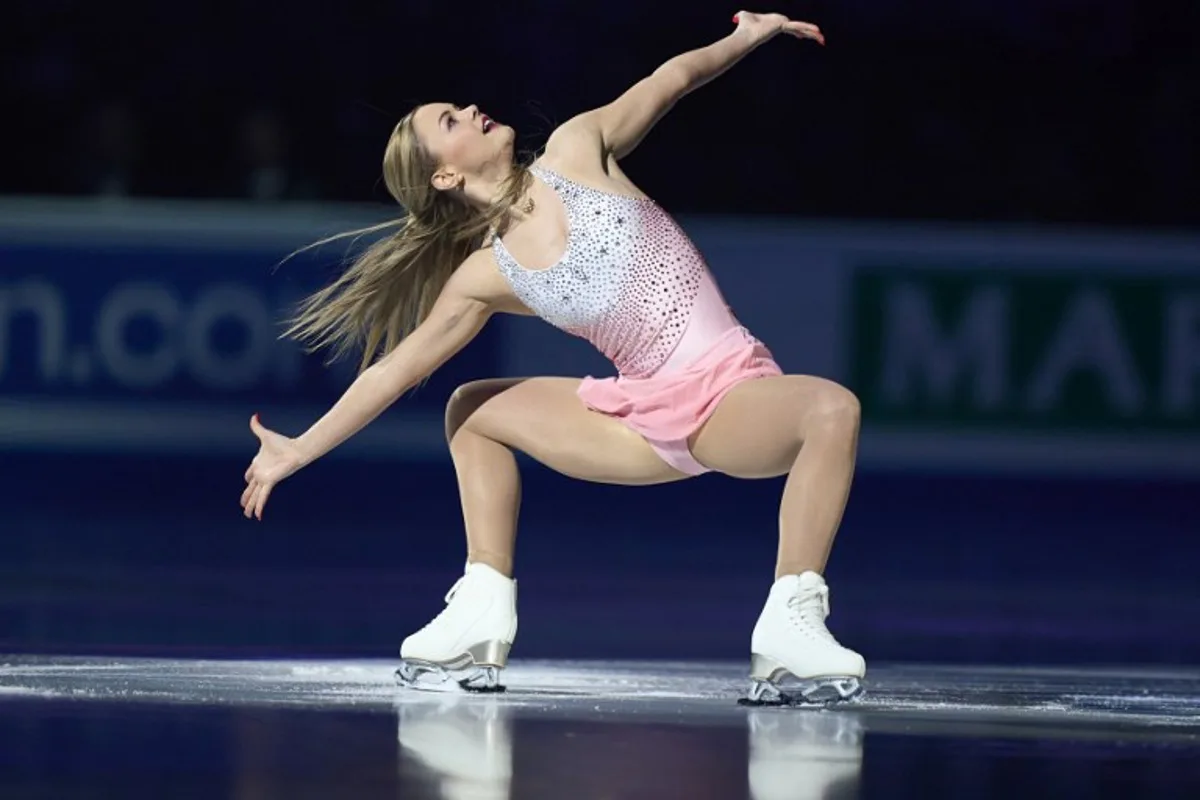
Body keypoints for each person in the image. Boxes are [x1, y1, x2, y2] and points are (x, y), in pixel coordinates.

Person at [240, 10, 864, 705]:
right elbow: (393, 370)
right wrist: (298, 450)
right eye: (450, 120)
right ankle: (480, 609)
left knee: (830, 411)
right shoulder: (486, 274)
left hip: (726, 400)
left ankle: (790, 624)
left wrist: (745, 38)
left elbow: (672, 79)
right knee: (470, 410)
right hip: (639, 425)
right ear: (444, 176)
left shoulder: (576, 149)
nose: (472, 110)